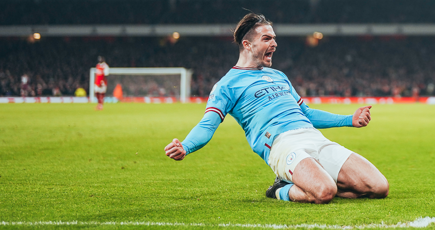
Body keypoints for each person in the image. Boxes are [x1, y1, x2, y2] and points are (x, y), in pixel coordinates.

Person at [163, 13, 388, 204]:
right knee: (325, 192)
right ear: (247, 44)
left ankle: (313, 177)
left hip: (313, 137)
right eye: (267, 38)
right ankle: (280, 189)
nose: (275, 43)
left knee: (379, 187)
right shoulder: (226, 85)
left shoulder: (278, 75)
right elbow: (207, 125)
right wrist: (186, 146)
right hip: (281, 145)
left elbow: (307, 114)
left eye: (274, 38)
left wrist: (350, 119)